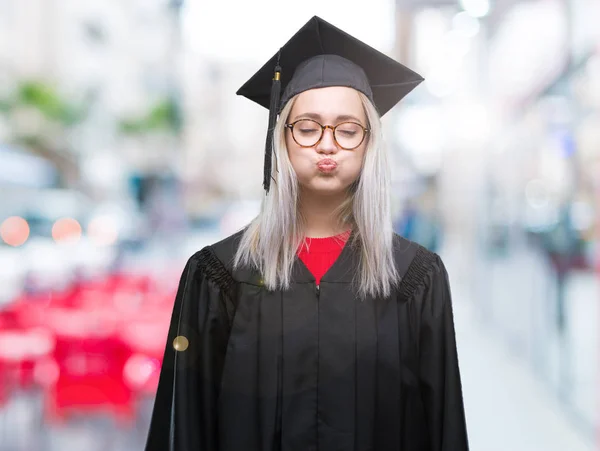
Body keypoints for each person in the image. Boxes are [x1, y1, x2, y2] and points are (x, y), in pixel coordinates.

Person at [145, 16, 469, 451]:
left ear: (371, 144)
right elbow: (186, 424)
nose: (327, 144)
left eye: (348, 129)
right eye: (308, 127)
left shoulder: (414, 277)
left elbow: (442, 428)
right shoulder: (219, 276)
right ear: (283, 139)